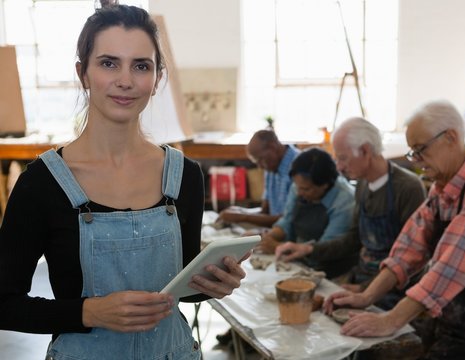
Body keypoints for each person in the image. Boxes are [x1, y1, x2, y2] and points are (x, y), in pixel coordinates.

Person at [0, 5, 246, 360]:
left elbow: (180, 289)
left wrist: (213, 285)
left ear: (157, 78)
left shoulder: (185, 176)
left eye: (141, 66)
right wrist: (89, 312)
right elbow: (4, 302)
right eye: (109, 63)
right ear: (83, 73)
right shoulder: (42, 184)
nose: (126, 80)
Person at [323, 100, 465, 359]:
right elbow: (407, 249)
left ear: (451, 137)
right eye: (413, 151)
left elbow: (451, 266)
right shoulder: (442, 190)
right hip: (455, 327)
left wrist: (391, 320)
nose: (416, 160)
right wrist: (367, 296)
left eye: (420, 149)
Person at [275, 117, 426, 309]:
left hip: (394, 293)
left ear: (365, 151)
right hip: (361, 279)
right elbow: (353, 239)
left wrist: (365, 290)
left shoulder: (408, 188)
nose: (338, 166)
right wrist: (308, 248)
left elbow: (413, 259)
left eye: (342, 158)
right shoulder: (362, 185)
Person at [259, 147, 356, 278]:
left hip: (330, 269)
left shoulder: (345, 201)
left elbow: (325, 248)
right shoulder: (300, 184)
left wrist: (277, 246)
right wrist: (267, 238)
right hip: (297, 259)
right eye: (297, 187)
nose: (299, 193)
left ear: (324, 185)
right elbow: (287, 221)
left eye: (306, 189)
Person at [217, 130, 299, 228]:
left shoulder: (299, 165)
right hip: (276, 229)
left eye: (261, 159)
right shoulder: (271, 167)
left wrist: (243, 216)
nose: (260, 166)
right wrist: (240, 211)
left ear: (273, 147)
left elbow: (289, 219)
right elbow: (265, 211)